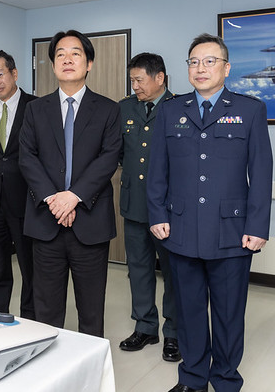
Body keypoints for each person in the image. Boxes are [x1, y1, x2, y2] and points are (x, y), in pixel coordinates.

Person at [148, 33, 273, 392]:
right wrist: (158, 214)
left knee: (229, 312)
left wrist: (258, 225)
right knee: (188, 310)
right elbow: (157, 170)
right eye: (194, 62)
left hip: (231, 231)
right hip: (181, 228)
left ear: (226, 68)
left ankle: (226, 378)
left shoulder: (249, 110)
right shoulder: (170, 110)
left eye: (209, 61)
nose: (200, 68)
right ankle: (193, 377)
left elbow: (261, 172)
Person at [18, 30, 121, 337]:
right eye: (60, 54)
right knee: (46, 309)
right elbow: (27, 157)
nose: (67, 59)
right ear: (52, 65)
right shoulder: (36, 109)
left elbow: (109, 158)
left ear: (89, 63)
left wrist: (74, 196)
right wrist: (54, 199)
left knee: (91, 310)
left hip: (90, 221)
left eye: (75, 53)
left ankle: (89, 366)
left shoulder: (108, 109)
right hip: (45, 221)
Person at [117, 52, 180, 361]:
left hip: (168, 209)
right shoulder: (124, 108)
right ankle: (145, 327)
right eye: (132, 81)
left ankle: (175, 332)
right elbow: (117, 153)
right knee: (138, 269)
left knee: (174, 273)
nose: (135, 87)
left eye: (139, 80)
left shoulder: (179, 107)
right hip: (134, 205)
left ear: (160, 78)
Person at [0, 50, 36, 318]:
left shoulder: (36, 107)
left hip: (26, 198)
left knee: (30, 264)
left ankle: (31, 318)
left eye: (0, 75)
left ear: (14, 73)